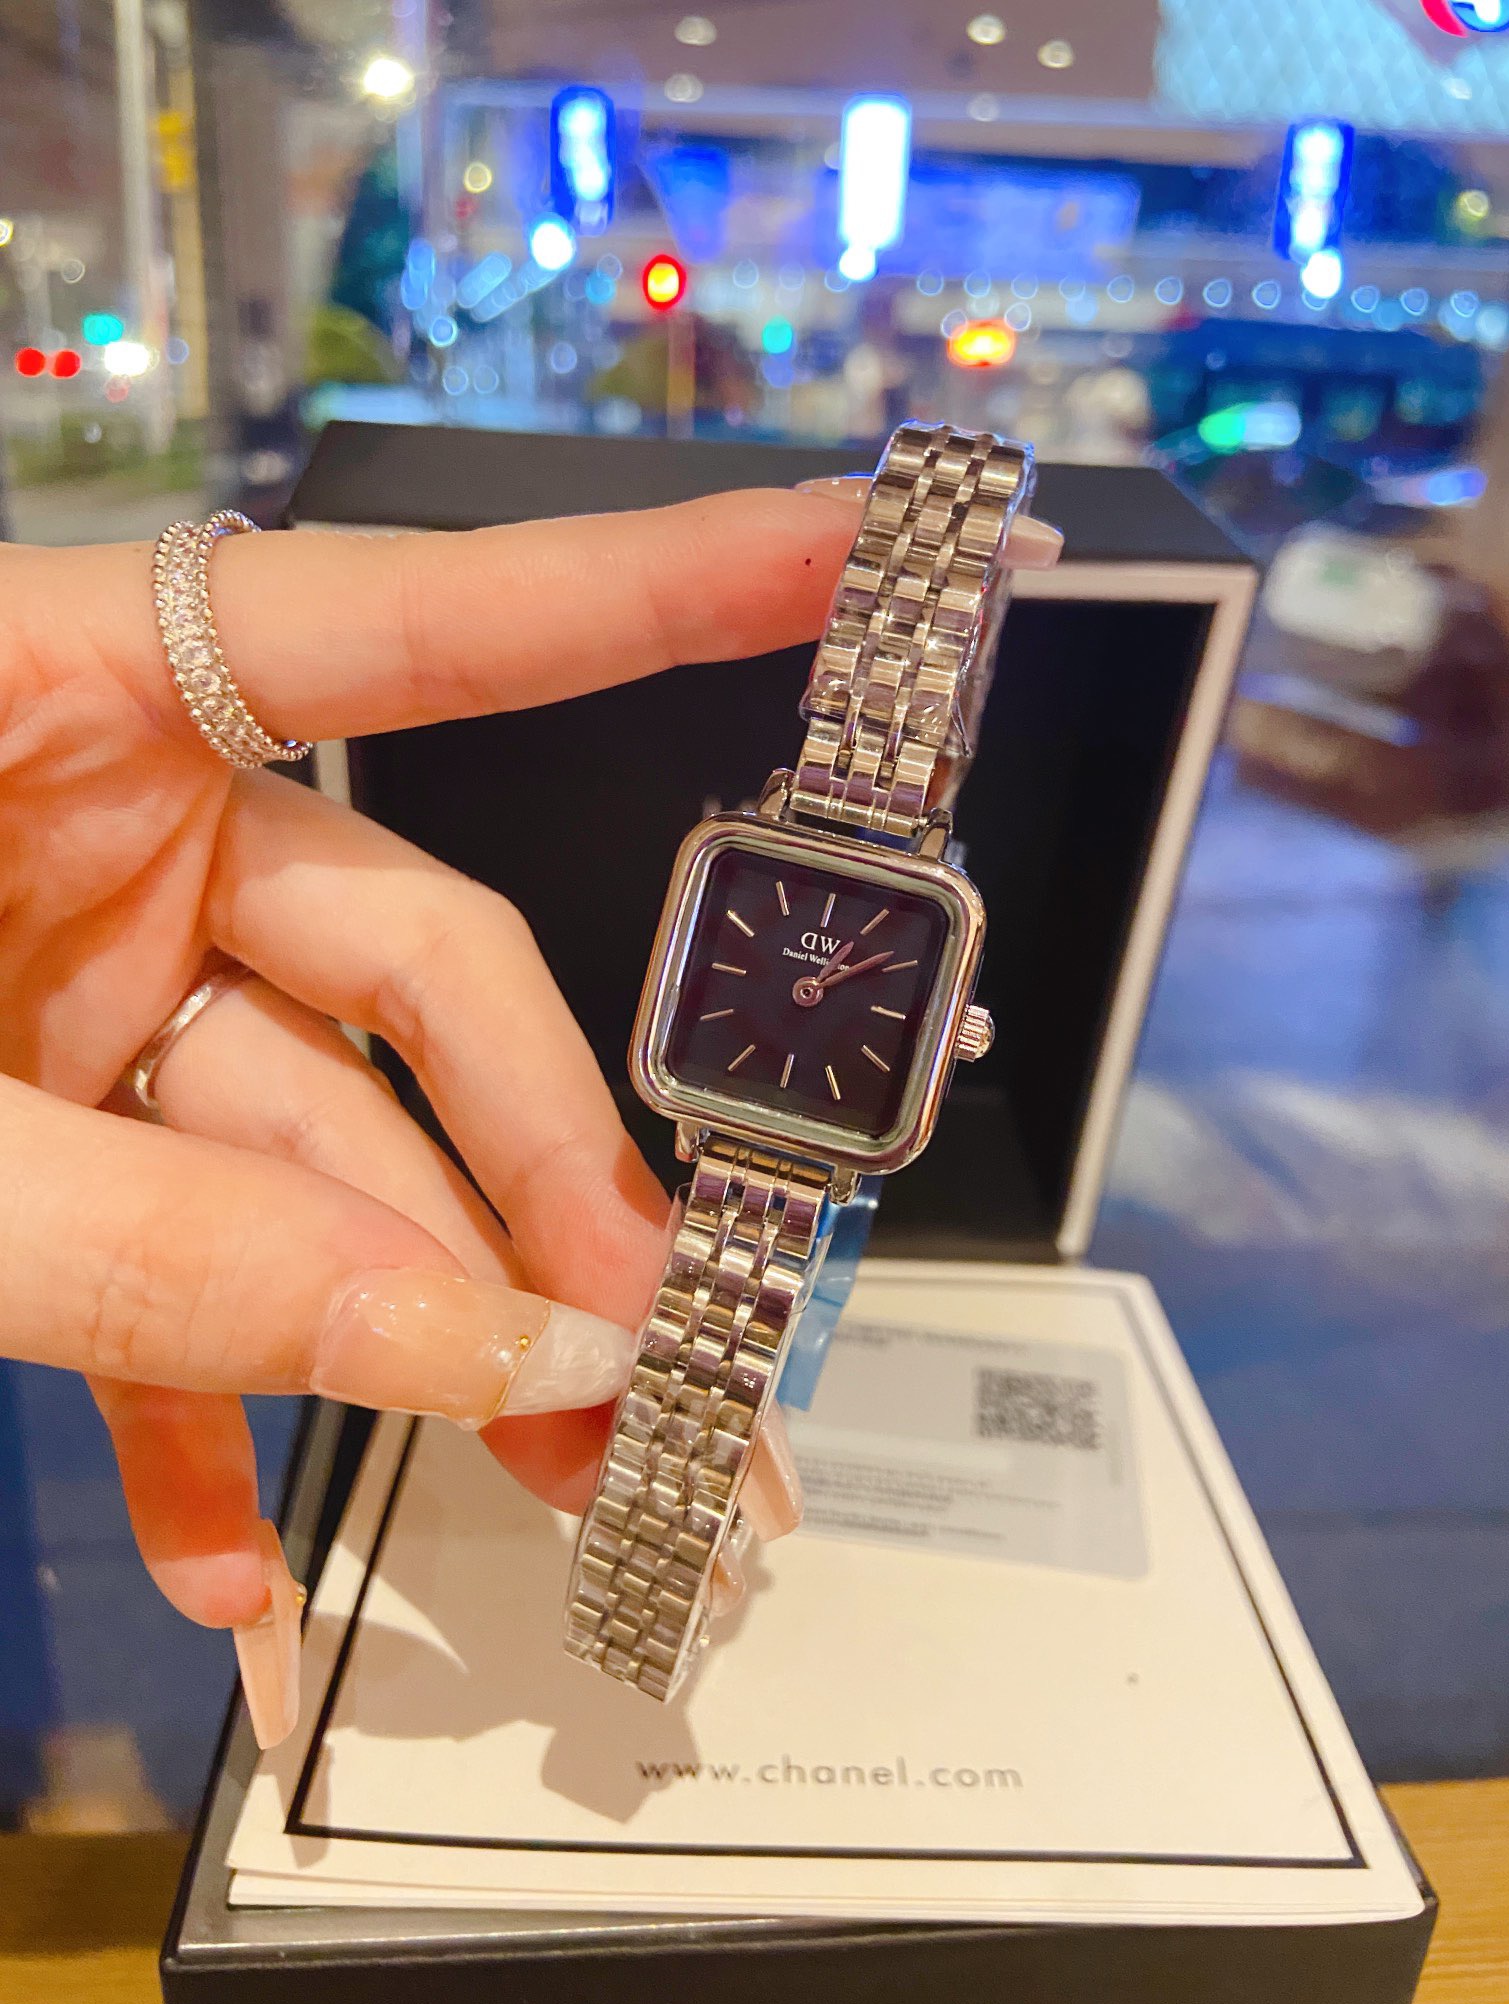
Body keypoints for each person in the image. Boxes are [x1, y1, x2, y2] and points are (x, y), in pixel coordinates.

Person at [0, 479, 1061, 1747]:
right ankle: (638, 1603)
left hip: (788, 1150)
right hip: (728, 1123)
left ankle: (640, 1608)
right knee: (598, 1291)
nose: (811, 979)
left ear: (951, 1029)